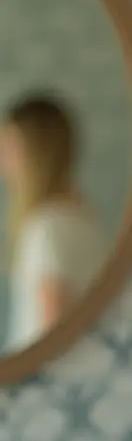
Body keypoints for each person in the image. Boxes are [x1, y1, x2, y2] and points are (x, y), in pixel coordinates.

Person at [0, 92, 106, 353]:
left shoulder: (48, 228)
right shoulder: (81, 219)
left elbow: (51, 333)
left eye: (9, 149)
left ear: (36, 153)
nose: (3, 163)